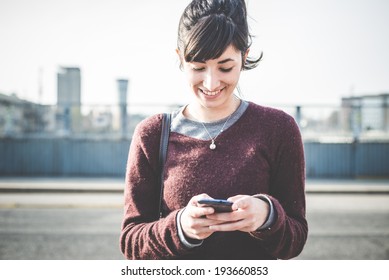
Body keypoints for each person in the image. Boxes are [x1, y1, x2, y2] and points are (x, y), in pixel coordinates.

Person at [120, 0, 307, 260]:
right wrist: (181, 228)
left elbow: (295, 240)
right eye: (197, 67)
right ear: (179, 58)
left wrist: (266, 215)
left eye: (225, 67)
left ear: (245, 55)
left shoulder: (278, 129)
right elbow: (131, 242)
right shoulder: (151, 134)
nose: (211, 82)